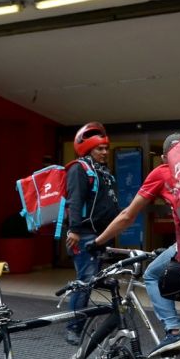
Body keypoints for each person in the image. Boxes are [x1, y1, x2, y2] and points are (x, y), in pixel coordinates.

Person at [87, 133, 180, 356]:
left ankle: (173, 330)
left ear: (164, 157)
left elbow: (127, 216)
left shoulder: (164, 171)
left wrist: (98, 242)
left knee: (152, 274)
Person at [64, 122, 120, 345]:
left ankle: (91, 321)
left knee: (95, 280)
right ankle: (73, 327)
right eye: (100, 149)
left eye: (106, 148)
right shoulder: (79, 168)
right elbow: (75, 200)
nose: (105, 152)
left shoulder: (103, 172)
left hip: (102, 235)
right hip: (85, 235)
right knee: (85, 282)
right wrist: (75, 230)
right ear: (88, 149)